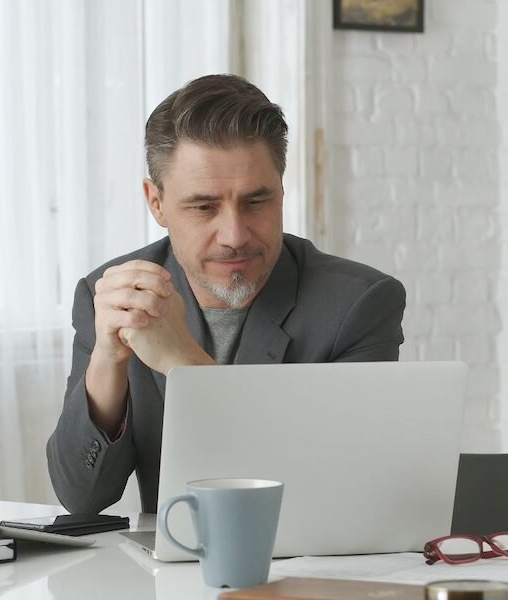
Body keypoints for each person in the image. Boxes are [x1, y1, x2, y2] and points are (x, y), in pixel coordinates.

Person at [46, 74, 406, 514]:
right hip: (166, 573)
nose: (235, 236)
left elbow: (340, 491)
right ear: (155, 203)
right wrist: (107, 360)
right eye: (204, 207)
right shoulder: (111, 294)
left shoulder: (357, 305)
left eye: (256, 202)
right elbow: (82, 497)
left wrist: (184, 364)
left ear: (281, 191)